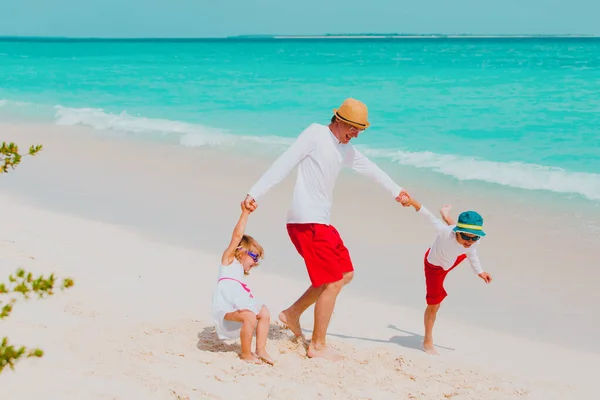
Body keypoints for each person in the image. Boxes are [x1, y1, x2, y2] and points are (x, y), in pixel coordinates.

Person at [242, 98, 410, 361]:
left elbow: (372, 169)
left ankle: (292, 313)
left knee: (344, 274)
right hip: (305, 221)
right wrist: (256, 192)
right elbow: (284, 163)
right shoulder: (315, 134)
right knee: (331, 281)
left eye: (360, 131)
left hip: (321, 222)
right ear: (340, 120)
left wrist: (397, 191)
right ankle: (318, 346)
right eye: (354, 128)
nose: (356, 134)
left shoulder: (344, 149)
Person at [404, 197, 492, 355]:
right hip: (435, 266)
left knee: (465, 250)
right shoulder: (445, 232)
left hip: (452, 260)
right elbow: (426, 214)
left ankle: (447, 215)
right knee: (434, 305)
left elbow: (471, 253)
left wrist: (480, 272)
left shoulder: (471, 242)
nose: (470, 241)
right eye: (466, 236)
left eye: (475, 237)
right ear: (458, 232)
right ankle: (427, 341)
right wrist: (410, 200)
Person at [211, 202, 273, 365]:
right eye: (254, 256)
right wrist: (245, 213)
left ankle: (261, 349)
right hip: (226, 306)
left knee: (264, 312)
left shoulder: (239, 278)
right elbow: (237, 236)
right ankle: (246, 354)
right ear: (241, 251)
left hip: (239, 300)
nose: (256, 262)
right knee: (249, 317)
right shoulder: (229, 261)